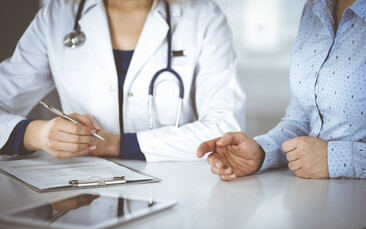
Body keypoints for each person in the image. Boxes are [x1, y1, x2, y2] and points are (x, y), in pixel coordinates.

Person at [0, 0, 245, 161]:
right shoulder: (56, 16)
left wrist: (113, 144)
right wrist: (36, 134)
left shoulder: (203, 17)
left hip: (177, 191)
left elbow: (224, 128)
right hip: (83, 193)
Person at [197, 0, 366, 179]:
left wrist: (339, 159)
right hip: (311, 197)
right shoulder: (314, 8)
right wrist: (261, 152)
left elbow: (328, 156)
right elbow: (302, 120)